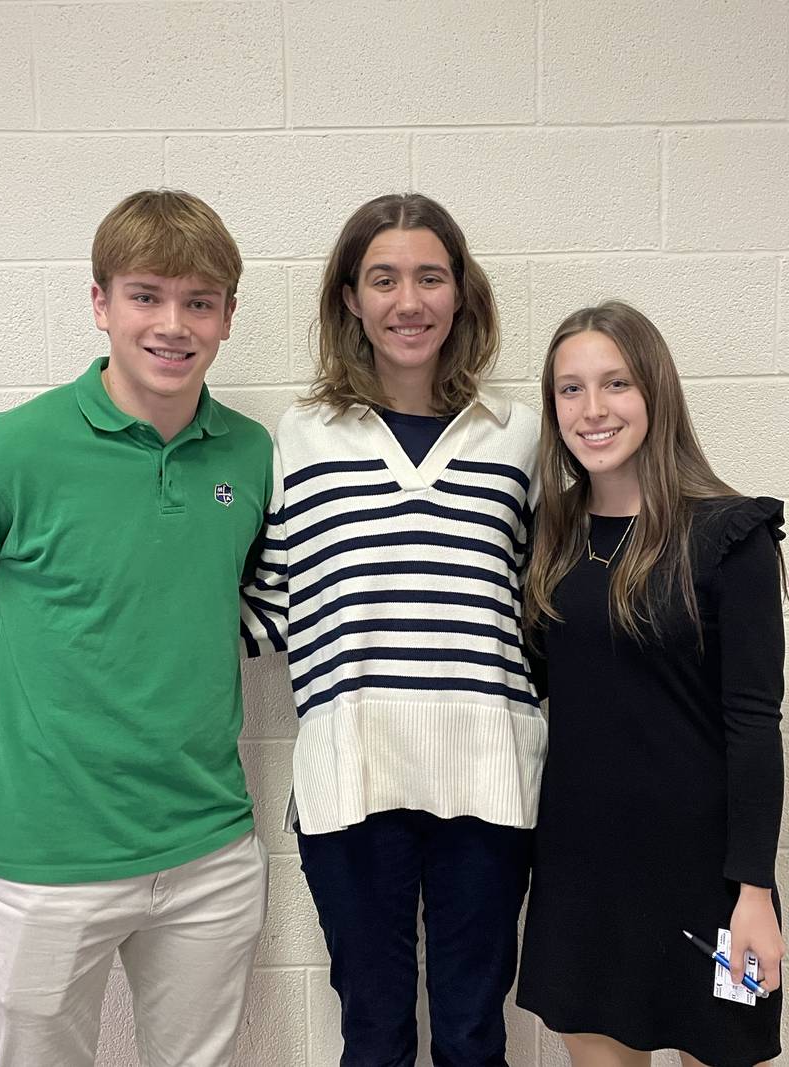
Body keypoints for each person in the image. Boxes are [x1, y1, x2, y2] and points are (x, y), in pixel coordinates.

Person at [241, 192, 545, 1066]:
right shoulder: (298, 437)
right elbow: (270, 609)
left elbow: (539, 610)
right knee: (372, 1035)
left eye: (429, 277)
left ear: (461, 295)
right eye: (384, 279)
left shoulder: (517, 436)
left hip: (489, 776)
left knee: (472, 1033)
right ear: (351, 298)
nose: (408, 301)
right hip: (352, 775)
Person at [0, 189, 272, 1067]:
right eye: (146, 295)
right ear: (100, 303)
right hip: (42, 859)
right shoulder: (14, 451)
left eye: (199, 301)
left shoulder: (254, 454)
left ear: (228, 315)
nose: (172, 324)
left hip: (209, 851)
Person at [516, 300, 785, 1067]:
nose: (592, 409)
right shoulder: (549, 538)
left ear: (656, 393)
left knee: (733, 1049)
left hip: (713, 885)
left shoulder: (731, 534)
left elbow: (754, 726)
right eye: (570, 389)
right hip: (581, 878)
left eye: (616, 384)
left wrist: (755, 896)